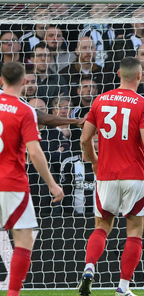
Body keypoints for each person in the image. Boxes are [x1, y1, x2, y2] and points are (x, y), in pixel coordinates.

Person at [77, 57, 144, 296]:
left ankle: (89, 267)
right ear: (140, 77)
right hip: (135, 176)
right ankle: (123, 287)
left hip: (106, 176)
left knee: (101, 226)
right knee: (134, 231)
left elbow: (84, 139)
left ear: (118, 73)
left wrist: (95, 162)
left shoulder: (99, 100)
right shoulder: (143, 104)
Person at [0, 62, 64, 296]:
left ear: (1, 80)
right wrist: (52, 184)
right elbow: (35, 152)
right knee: (25, 239)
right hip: (11, 184)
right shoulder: (23, 110)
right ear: (25, 82)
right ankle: (13, 293)